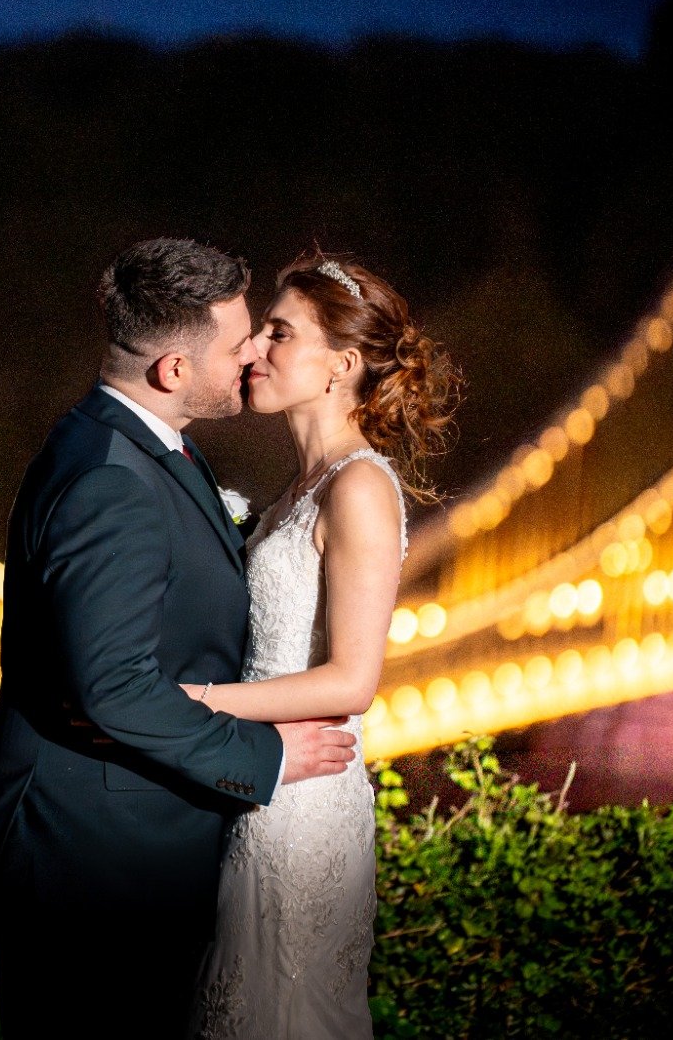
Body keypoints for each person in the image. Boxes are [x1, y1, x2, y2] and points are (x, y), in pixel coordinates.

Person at [0, 238, 359, 1039]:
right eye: (240, 345)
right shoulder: (111, 477)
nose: (253, 358)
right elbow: (113, 688)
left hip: (120, 855)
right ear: (174, 370)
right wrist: (264, 758)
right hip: (90, 870)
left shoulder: (143, 448)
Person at [186, 252, 461, 1039]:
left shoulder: (360, 487)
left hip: (303, 807)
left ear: (341, 365)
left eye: (279, 333)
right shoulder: (295, 492)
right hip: (260, 787)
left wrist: (195, 704)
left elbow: (351, 681)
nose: (254, 350)